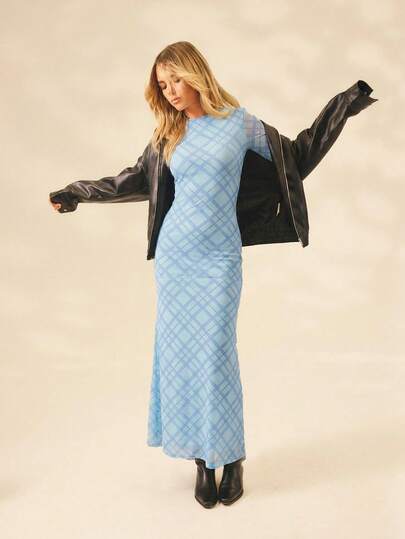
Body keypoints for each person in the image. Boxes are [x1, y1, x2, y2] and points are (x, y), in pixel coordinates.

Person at [49, 41, 378, 509]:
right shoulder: (169, 133)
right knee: (183, 356)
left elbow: (298, 156)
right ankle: (203, 462)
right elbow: (133, 180)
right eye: (162, 85)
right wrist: (78, 192)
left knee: (217, 355)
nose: (170, 91)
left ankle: (232, 457)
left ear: (196, 73)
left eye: (175, 80)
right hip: (176, 257)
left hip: (219, 258)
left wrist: (344, 105)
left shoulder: (239, 124)